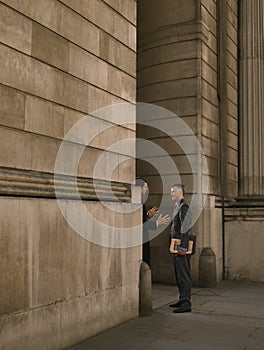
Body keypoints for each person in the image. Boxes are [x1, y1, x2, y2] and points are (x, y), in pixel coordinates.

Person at [135, 178, 170, 266]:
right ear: (139, 188)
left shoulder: (140, 201)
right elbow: (139, 225)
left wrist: (147, 215)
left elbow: (140, 219)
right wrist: (157, 223)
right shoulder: (137, 202)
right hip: (141, 239)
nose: (146, 189)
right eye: (145, 187)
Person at [169, 183, 192, 313]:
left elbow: (186, 228)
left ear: (180, 192)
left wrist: (183, 247)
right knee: (179, 274)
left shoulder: (184, 207)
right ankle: (182, 298)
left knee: (184, 275)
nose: (171, 194)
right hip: (176, 246)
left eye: (173, 192)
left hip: (181, 247)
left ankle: (186, 303)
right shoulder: (177, 206)